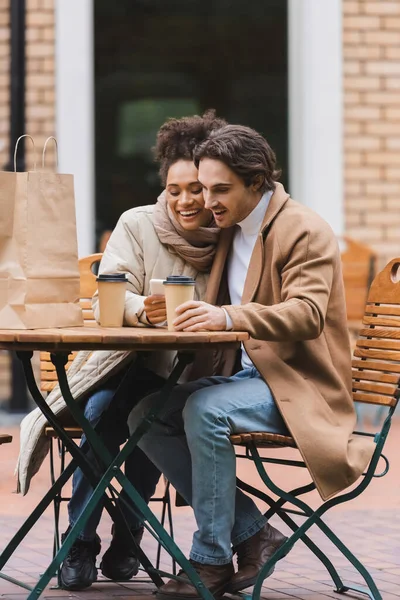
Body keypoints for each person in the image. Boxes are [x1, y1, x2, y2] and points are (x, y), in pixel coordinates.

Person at [128, 124, 376, 599]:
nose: (208, 200)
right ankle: (254, 533)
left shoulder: (303, 229)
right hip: (244, 378)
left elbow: (307, 314)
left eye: (221, 189)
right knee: (147, 413)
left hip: (299, 386)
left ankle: (211, 560)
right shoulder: (228, 230)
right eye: (204, 188)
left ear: (257, 181)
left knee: (206, 410)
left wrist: (225, 315)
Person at [16, 110, 227, 591]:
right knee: (104, 407)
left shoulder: (230, 235)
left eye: (196, 189)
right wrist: (141, 310)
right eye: (174, 190)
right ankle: (84, 537)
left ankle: (129, 530)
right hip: (122, 362)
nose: (185, 201)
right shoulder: (138, 224)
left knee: (151, 411)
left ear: (215, 186)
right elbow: (107, 295)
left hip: (190, 373)